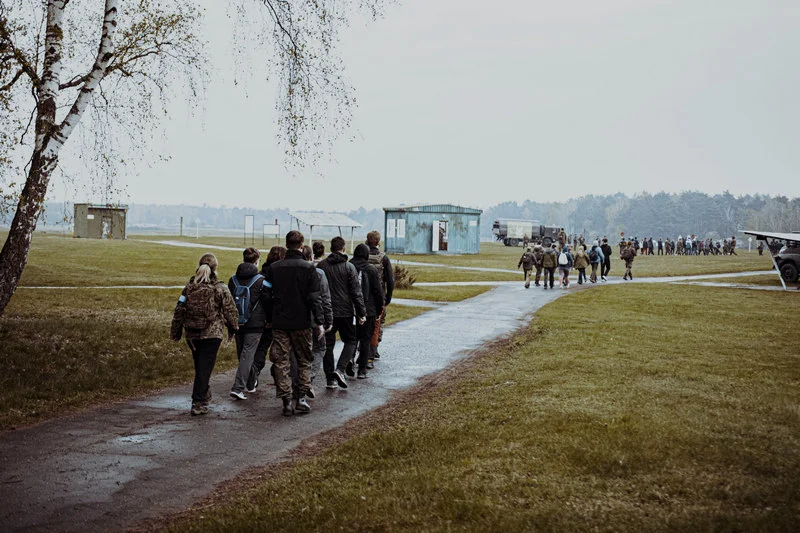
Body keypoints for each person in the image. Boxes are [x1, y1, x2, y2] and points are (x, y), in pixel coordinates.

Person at [264, 231, 325, 416]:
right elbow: (315, 298)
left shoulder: (274, 268)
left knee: (281, 361)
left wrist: (270, 316)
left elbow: (265, 295)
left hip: (280, 321)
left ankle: (286, 400)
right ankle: (301, 399)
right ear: (301, 245)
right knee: (304, 360)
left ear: (286, 244)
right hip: (302, 322)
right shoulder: (309, 268)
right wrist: (320, 321)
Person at [170, 253, 238, 416]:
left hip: (192, 334)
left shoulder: (189, 287)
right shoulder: (220, 288)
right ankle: (198, 401)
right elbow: (229, 309)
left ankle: (203, 393)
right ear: (215, 269)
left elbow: (179, 309)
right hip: (211, 334)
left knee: (201, 366)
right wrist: (234, 328)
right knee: (204, 367)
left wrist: (176, 330)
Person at [317, 236, 366, 390]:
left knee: (328, 345)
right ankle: (341, 368)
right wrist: (361, 312)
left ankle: (330, 378)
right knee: (351, 340)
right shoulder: (348, 267)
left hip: (327, 312)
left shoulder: (322, 266)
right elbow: (356, 292)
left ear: (331, 248)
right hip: (345, 311)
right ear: (344, 248)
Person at [228, 247, 270, 401]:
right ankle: (238, 387)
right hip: (255, 324)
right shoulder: (261, 280)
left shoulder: (233, 280)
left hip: (237, 323)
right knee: (248, 355)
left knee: (243, 355)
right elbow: (266, 301)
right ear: (257, 260)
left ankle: (251, 383)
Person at [251, 245, 286, 390]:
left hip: (260, 317)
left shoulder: (261, 273)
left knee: (261, 348)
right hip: (275, 317)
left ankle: (253, 372)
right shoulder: (280, 274)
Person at [350, 244, 385, 379]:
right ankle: (362, 370)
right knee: (365, 340)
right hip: (368, 309)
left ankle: (350, 360)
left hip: (351, 309)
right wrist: (379, 308)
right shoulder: (371, 270)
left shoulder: (349, 266)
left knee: (352, 339)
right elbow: (377, 291)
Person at [366, 231, 394, 367]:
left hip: (363, 296)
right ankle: (373, 350)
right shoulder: (383, 257)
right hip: (379, 296)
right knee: (378, 324)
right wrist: (388, 296)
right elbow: (390, 279)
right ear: (378, 241)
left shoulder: (363, 256)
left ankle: (363, 349)